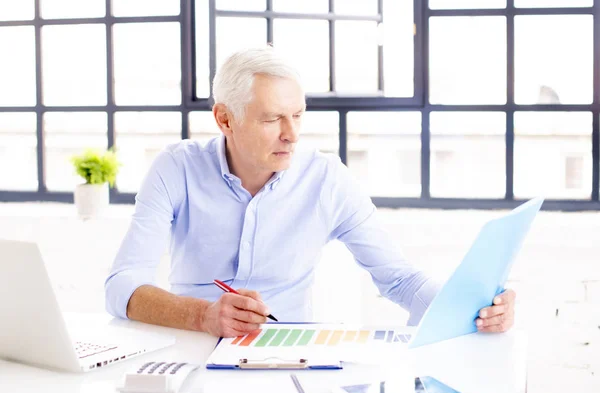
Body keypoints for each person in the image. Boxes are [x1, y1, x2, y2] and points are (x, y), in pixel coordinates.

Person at [104, 46, 516, 338]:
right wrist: (205, 317)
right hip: (190, 350)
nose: (291, 134)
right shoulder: (177, 167)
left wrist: (476, 308)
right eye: (273, 119)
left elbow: (401, 281)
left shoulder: (326, 179)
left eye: (298, 115)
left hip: (289, 355)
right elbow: (122, 285)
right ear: (225, 119)